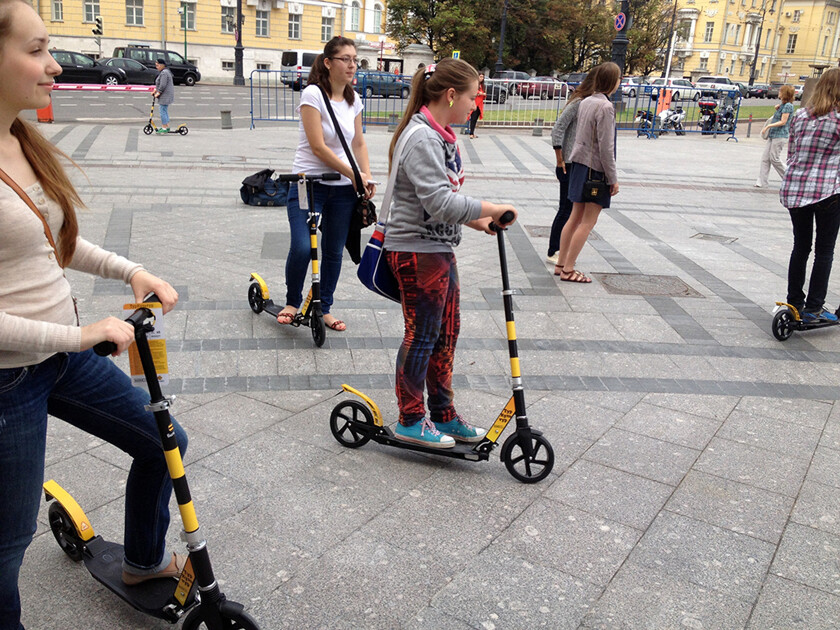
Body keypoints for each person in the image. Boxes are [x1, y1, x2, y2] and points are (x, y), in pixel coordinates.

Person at [0, 2, 187, 628]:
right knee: (6, 544)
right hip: (9, 379)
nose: (53, 63)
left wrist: (130, 271)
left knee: (166, 444)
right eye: (36, 49)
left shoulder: (20, 139)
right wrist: (82, 333)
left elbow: (52, 240)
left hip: (60, 359)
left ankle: (140, 561)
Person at [384, 59, 517, 448]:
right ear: (451, 94)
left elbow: (444, 201)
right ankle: (411, 419)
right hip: (416, 251)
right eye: (475, 96)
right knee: (422, 335)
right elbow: (440, 202)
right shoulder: (423, 138)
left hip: (436, 249)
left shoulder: (439, 135)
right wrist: (491, 207)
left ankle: (443, 413)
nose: (477, 104)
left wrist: (481, 222)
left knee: (445, 335)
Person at [276, 36, 375, 332]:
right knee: (304, 247)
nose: (352, 64)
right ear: (328, 62)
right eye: (345, 58)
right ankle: (293, 301)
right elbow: (318, 148)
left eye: (354, 59)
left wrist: (365, 176)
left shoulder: (354, 100)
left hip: (344, 190)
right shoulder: (312, 95)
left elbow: (358, 142)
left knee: (333, 250)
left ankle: (325, 307)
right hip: (308, 184)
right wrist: (353, 173)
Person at [781, 68, 840, 323]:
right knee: (824, 251)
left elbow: (791, 152)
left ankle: (794, 302)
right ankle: (814, 307)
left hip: (796, 189)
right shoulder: (838, 119)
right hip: (828, 191)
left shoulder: (800, 115)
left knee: (801, 247)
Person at [554, 62, 621, 283]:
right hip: (595, 171)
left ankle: (561, 263)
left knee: (574, 217)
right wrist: (613, 178)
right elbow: (606, 147)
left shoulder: (585, 102)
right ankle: (569, 269)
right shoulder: (605, 107)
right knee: (587, 222)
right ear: (612, 82)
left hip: (579, 165)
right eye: (619, 79)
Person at [547, 70, 598, 265]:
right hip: (567, 164)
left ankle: (562, 249)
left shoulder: (587, 104)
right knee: (566, 209)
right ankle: (554, 250)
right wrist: (560, 159)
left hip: (576, 163)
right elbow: (557, 129)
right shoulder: (578, 103)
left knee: (573, 209)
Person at [756, 84, 795, 187]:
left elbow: (783, 121)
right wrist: (778, 108)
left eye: (780, 91)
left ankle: (789, 178)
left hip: (780, 135)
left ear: (785, 93)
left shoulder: (788, 106)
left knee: (774, 158)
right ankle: (762, 182)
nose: (779, 93)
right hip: (773, 135)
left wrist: (768, 126)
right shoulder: (783, 105)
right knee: (765, 158)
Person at [153, 57, 174, 133]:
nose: (156, 67)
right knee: (164, 110)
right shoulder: (165, 72)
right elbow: (159, 84)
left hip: (165, 95)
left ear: (162, 65)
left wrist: (158, 92)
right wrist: (155, 90)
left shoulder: (164, 73)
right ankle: (167, 126)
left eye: (157, 65)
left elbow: (163, 85)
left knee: (162, 111)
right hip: (165, 95)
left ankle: (164, 127)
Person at [468, 72, 485, 138]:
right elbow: (473, 91)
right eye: (480, 77)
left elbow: (484, 94)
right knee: (473, 118)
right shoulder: (474, 84)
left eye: (482, 77)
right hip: (475, 102)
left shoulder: (482, 85)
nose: (481, 78)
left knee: (475, 119)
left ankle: (472, 132)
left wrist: (482, 94)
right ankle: (471, 133)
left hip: (479, 104)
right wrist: (479, 93)